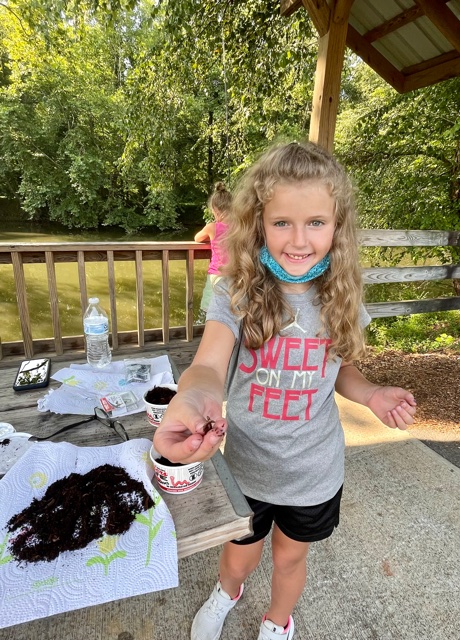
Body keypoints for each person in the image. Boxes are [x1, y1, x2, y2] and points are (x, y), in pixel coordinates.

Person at [153, 141, 416, 640]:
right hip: (249, 466)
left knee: (292, 556)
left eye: (315, 222)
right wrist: (192, 396)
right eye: (282, 223)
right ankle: (226, 594)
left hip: (314, 473)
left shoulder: (342, 295)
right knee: (241, 551)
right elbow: (209, 362)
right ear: (258, 223)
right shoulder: (237, 293)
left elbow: (338, 370)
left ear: (337, 226)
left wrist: (372, 394)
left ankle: (278, 622)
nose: (299, 239)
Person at [194, 181, 232, 314]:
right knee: (232, 311)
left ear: (215, 210)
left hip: (217, 275)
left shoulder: (212, 227)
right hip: (236, 275)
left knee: (212, 311)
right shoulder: (240, 227)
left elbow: (197, 238)